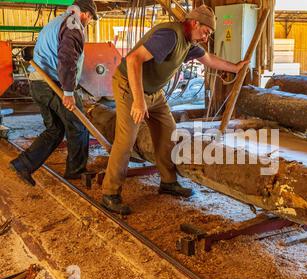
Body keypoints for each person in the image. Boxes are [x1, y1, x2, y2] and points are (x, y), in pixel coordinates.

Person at [101, 5, 248, 215]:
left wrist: (235, 67)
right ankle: (110, 193)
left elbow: (208, 60)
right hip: (130, 85)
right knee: (126, 140)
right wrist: (139, 101)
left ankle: (168, 182)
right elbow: (133, 60)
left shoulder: (189, 43)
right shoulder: (169, 35)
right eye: (206, 32)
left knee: (168, 133)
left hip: (154, 92)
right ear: (195, 23)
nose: (206, 38)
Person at [9, 0, 98, 186]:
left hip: (38, 83)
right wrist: (68, 92)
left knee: (55, 129)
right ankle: (76, 170)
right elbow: (67, 60)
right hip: (53, 85)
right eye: (90, 18)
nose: (89, 22)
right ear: (85, 14)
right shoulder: (74, 26)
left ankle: (23, 164)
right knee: (79, 126)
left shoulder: (57, 22)